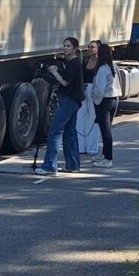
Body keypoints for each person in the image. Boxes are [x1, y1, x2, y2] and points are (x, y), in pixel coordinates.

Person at [36, 37, 84, 176]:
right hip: (73, 100)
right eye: (64, 45)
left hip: (69, 100)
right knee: (70, 133)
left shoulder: (74, 63)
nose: (65, 48)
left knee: (55, 131)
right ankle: (73, 165)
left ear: (75, 48)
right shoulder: (73, 63)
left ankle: (50, 166)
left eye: (68, 46)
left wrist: (54, 72)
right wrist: (59, 71)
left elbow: (64, 83)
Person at [90, 43, 122, 168]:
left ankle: (108, 158)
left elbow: (100, 89)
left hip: (104, 100)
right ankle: (104, 154)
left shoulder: (102, 69)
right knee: (106, 130)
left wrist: (95, 100)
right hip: (113, 98)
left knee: (105, 131)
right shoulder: (112, 66)